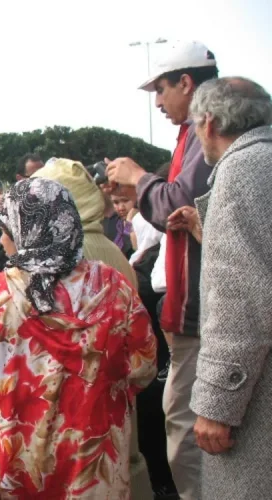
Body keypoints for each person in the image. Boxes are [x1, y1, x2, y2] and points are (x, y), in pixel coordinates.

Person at [0, 177, 157, 499]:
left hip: (20, 467)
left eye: (7, 231)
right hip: (97, 466)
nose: (3, 242)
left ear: (28, 232)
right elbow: (144, 367)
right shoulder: (114, 288)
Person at [106, 41, 218, 500]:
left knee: (186, 426)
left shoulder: (201, 131)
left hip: (201, 311)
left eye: (161, 90)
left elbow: (180, 202)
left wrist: (139, 178)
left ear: (186, 84)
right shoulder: (190, 136)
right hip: (195, 307)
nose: (157, 102)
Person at [178, 77, 272, 500]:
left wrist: (217, 402)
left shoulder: (242, 168)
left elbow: (240, 301)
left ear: (209, 123)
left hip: (257, 401)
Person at [108, 184, 137, 259]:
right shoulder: (110, 224)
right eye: (116, 202)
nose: (121, 208)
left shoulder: (147, 224)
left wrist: (128, 225)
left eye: (125, 200)